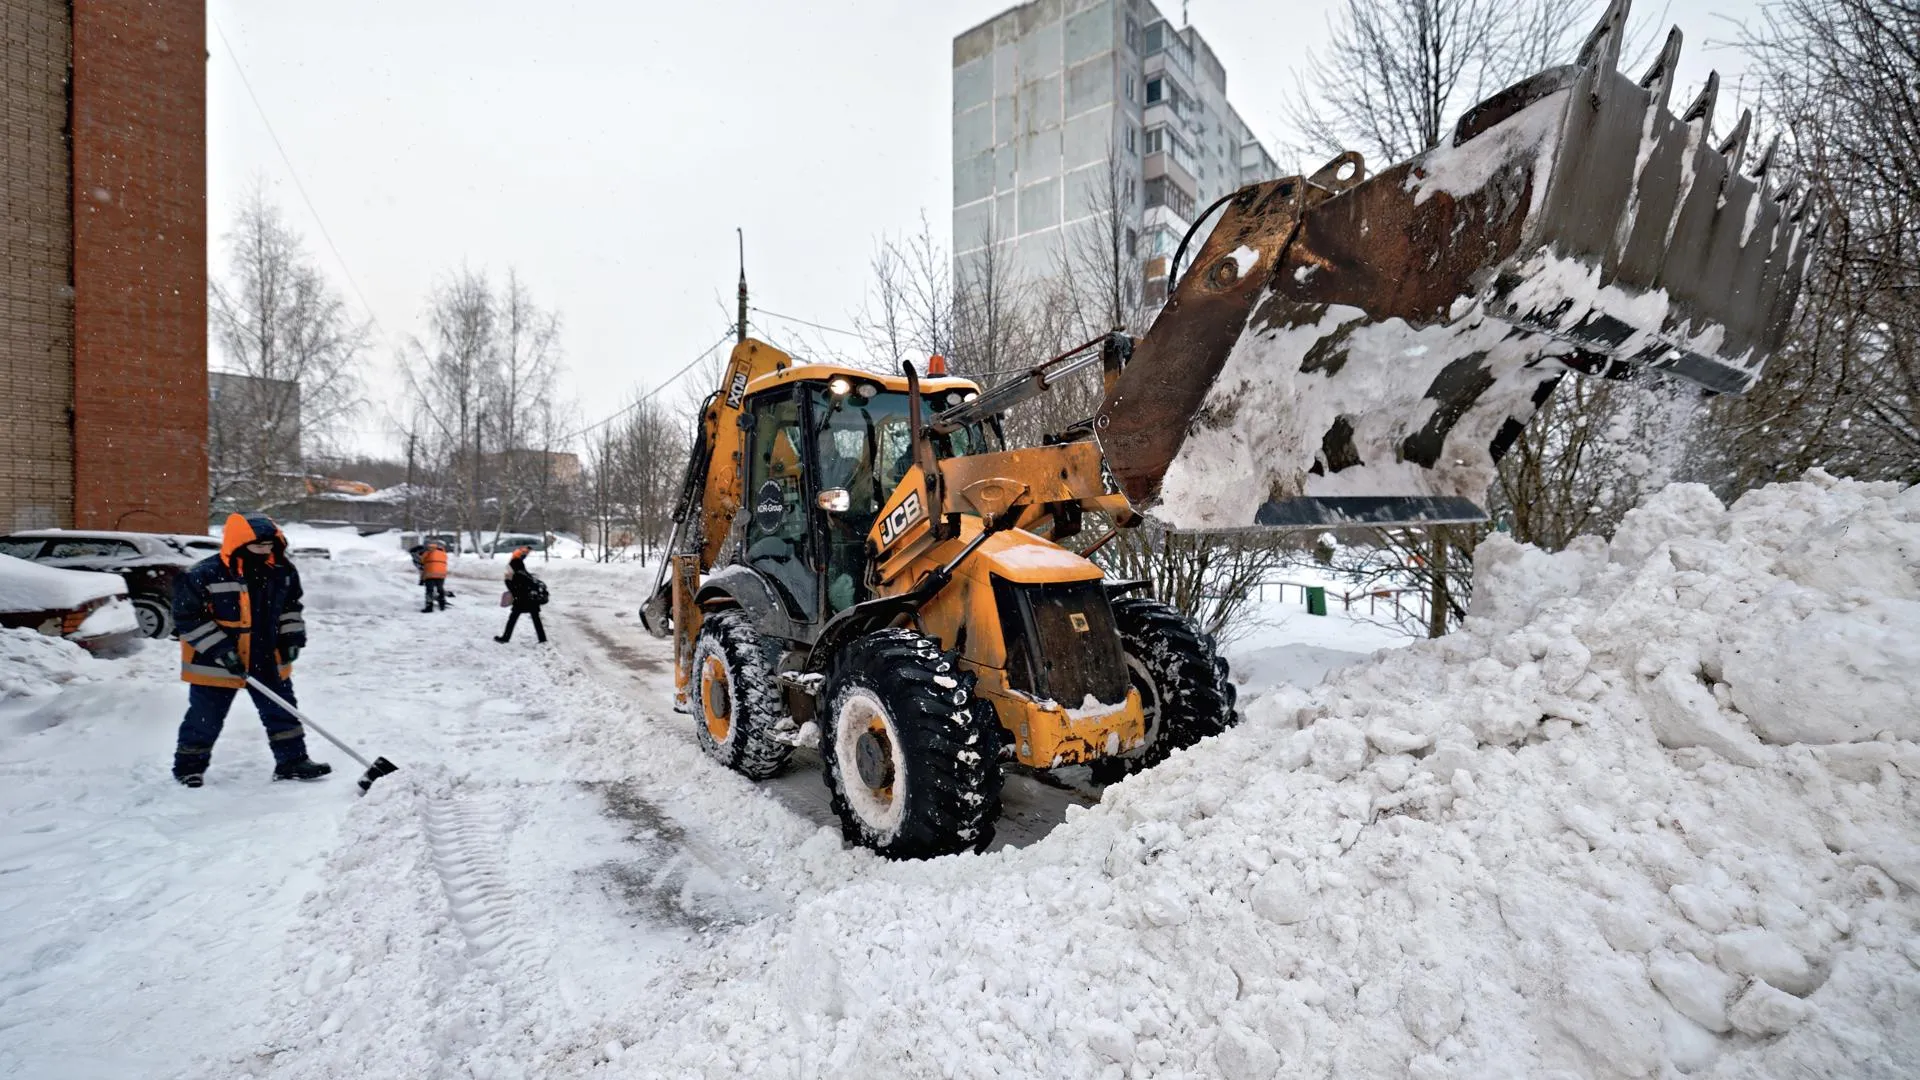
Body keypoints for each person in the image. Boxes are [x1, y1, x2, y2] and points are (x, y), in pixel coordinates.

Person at [172, 513, 331, 787]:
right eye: (259, 546)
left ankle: (292, 762)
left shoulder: (281, 570)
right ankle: (188, 767)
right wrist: (221, 650)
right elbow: (188, 617)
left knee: (282, 712)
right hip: (216, 661)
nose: (266, 551)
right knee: (205, 718)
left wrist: (292, 637)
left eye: (270, 545)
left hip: (267, 655)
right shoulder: (205, 573)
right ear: (239, 543)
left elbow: (291, 607)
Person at [495, 545, 547, 644]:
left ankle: (505, 638)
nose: (525, 556)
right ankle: (542, 638)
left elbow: (510, 582)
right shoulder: (517, 566)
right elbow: (513, 580)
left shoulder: (516, 565)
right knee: (534, 617)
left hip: (522, 597)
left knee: (513, 617)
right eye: (525, 554)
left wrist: (513, 590)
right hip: (527, 596)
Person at [419, 539, 448, 613]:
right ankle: (442, 604)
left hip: (430, 574)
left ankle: (429, 607)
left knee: (429, 590)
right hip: (441, 574)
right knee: (440, 589)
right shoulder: (443, 553)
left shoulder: (428, 551)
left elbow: (422, 560)